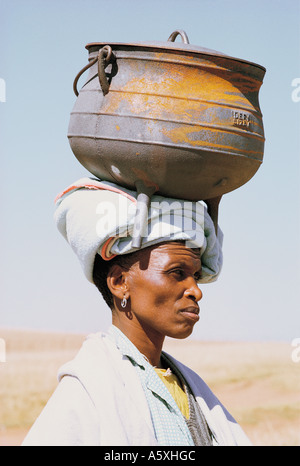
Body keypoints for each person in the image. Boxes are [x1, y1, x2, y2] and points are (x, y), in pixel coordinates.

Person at [22, 177, 251, 446]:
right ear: (120, 283)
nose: (195, 290)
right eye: (177, 273)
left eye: (196, 275)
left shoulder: (191, 387)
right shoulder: (88, 391)